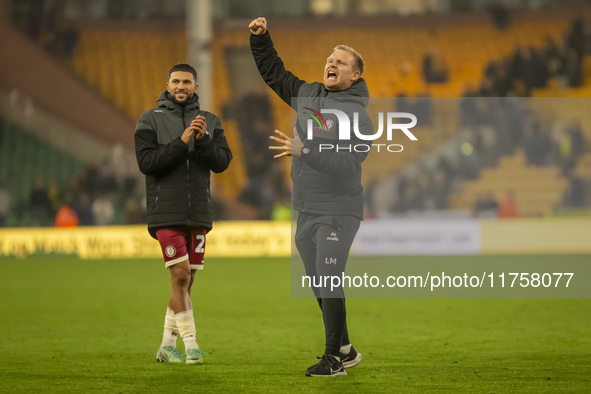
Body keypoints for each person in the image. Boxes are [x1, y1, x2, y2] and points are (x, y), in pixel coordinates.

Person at [250, 17, 370, 377]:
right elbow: (275, 73)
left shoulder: (358, 117)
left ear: (355, 77)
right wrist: (260, 39)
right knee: (318, 281)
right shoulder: (309, 95)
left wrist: (306, 151)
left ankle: (333, 359)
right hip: (307, 209)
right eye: (330, 59)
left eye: (341, 62)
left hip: (339, 210)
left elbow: (348, 165)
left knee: (329, 276)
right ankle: (346, 349)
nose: (331, 64)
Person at [135, 63, 232, 365]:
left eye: (187, 81)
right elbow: (147, 162)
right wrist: (183, 142)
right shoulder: (149, 120)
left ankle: (166, 345)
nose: (181, 86)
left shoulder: (211, 122)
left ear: (195, 87)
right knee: (180, 275)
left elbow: (222, 162)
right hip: (166, 211)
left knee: (185, 283)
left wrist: (202, 139)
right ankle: (191, 346)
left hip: (199, 213)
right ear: (167, 86)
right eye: (176, 81)